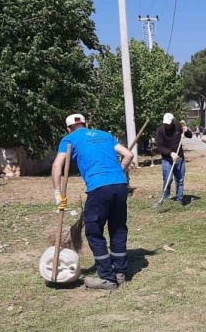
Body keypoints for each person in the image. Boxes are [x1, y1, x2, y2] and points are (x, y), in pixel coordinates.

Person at [51, 113, 134, 290]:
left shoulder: (69, 139)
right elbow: (128, 155)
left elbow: (58, 165)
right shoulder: (105, 135)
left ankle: (107, 278)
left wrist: (58, 193)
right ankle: (120, 272)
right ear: (86, 124)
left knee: (94, 231)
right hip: (120, 184)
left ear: (68, 128)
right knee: (118, 228)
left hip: (99, 187)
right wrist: (117, 172)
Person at [154, 113, 193, 206]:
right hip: (167, 158)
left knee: (180, 179)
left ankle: (179, 199)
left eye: (168, 124)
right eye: (165, 124)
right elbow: (160, 146)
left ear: (172, 121)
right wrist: (170, 153)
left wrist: (187, 131)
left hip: (179, 157)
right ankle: (166, 197)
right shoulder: (160, 130)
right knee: (167, 178)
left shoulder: (178, 126)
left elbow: (189, 135)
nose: (167, 125)